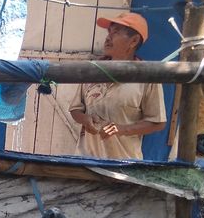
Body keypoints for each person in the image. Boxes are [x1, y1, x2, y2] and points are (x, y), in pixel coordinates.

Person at [68, 12, 166, 160]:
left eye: (115, 33)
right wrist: (85, 119)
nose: (108, 37)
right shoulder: (92, 69)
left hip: (123, 165)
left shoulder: (147, 77)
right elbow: (75, 109)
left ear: (133, 41)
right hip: (85, 160)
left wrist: (123, 129)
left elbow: (157, 122)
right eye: (109, 32)